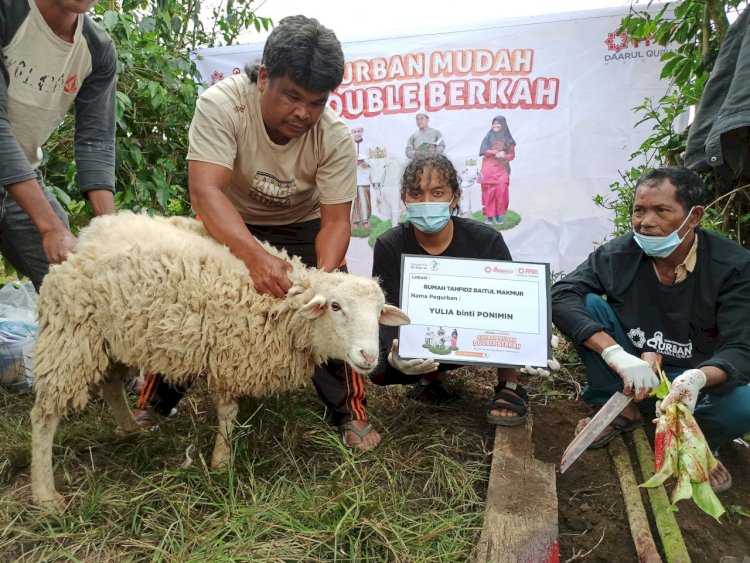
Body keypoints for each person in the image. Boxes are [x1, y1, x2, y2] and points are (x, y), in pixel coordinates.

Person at [135, 15, 380, 451]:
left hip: (303, 225)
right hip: (231, 218)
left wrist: (322, 281)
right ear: (264, 77)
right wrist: (253, 256)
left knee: (334, 303)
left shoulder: (335, 136)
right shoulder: (222, 105)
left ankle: (350, 410)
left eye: (317, 102)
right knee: (194, 303)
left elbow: (337, 221)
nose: (303, 113)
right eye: (292, 96)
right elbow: (206, 192)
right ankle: (154, 398)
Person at [551, 167, 750, 493]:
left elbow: (741, 348)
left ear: (695, 216)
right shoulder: (620, 253)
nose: (645, 221)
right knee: (587, 303)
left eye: (661, 210)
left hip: (697, 376)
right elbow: (561, 295)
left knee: (745, 403)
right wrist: (616, 354)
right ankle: (621, 407)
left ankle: (697, 438)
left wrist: (697, 378)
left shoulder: (733, 267)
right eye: (639, 210)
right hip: (636, 371)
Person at [370, 154, 553, 422]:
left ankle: (509, 386)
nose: (427, 202)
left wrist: (533, 339)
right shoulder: (389, 245)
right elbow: (385, 310)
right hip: (421, 342)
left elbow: (513, 306)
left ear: (455, 197)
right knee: (380, 367)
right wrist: (394, 353)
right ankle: (430, 378)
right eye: (416, 193)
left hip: (479, 339)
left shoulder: (486, 241)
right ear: (404, 198)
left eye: (438, 193)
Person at [0, 0, 116, 291]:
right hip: (16, 174)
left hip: (19, 180)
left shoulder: (97, 50)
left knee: (70, 284)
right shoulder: (9, 13)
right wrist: (49, 226)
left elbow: (95, 140)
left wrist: (112, 230)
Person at [478, 115, 515, 226]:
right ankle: (489, 216)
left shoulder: (509, 140)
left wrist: (504, 155)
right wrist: (495, 153)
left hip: (502, 170)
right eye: (494, 123)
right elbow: (483, 151)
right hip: (488, 170)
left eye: (498, 123)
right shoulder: (488, 137)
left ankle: (499, 215)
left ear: (503, 124)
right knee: (488, 194)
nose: (496, 125)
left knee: (502, 193)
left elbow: (512, 155)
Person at [350, 124, 372, 230]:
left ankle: (365, 220)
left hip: (364, 178)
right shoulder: (348, 145)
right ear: (352, 133)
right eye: (355, 131)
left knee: (365, 199)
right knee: (354, 200)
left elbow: (372, 160)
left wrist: (365, 162)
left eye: (359, 131)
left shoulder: (368, 145)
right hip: (352, 178)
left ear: (362, 132)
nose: (357, 133)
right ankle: (355, 220)